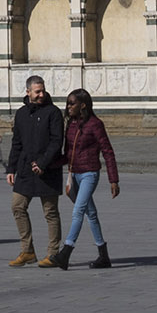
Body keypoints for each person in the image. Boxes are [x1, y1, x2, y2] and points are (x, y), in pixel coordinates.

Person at [5, 75, 65, 268]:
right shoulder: (21, 114)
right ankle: (27, 250)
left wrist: (43, 163)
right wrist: (11, 168)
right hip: (24, 170)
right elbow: (17, 143)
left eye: (42, 90)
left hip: (47, 171)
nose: (41, 94)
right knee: (17, 206)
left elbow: (57, 142)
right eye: (37, 91)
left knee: (50, 212)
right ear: (28, 92)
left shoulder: (53, 112)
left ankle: (53, 254)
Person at [62, 89, 117, 265]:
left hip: (89, 173)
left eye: (72, 103)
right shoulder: (70, 124)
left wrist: (113, 180)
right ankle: (103, 255)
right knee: (90, 213)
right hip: (73, 173)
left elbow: (108, 151)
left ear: (83, 105)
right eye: (68, 103)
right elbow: (67, 152)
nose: (68, 107)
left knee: (78, 211)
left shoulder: (95, 124)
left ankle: (66, 251)